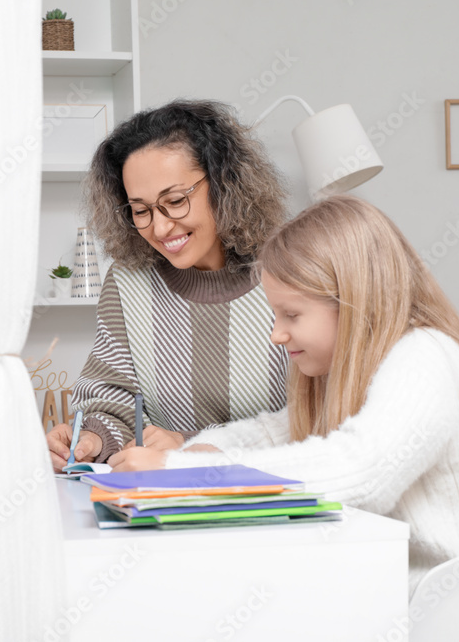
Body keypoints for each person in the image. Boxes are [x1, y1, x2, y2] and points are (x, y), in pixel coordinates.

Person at [108, 194, 459, 592]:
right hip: (400, 596)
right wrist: (199, 450)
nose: (277, 334)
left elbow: (359, 469)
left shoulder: (426, 357)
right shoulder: (364, 369)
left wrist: (181, 474)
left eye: (291, 314)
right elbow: (274, 431)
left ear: (354, 301)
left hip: (452, 608)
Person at [46, 99, 290, 472]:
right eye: (140, 210)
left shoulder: (292, 271)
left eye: (175, 201)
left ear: (223, 183)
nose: (160, 228)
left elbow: (320, 416)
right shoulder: (128, 284)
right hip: (166, 500)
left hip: (276, 493)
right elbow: (113, 399)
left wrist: (191, 445)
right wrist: (92, 440)